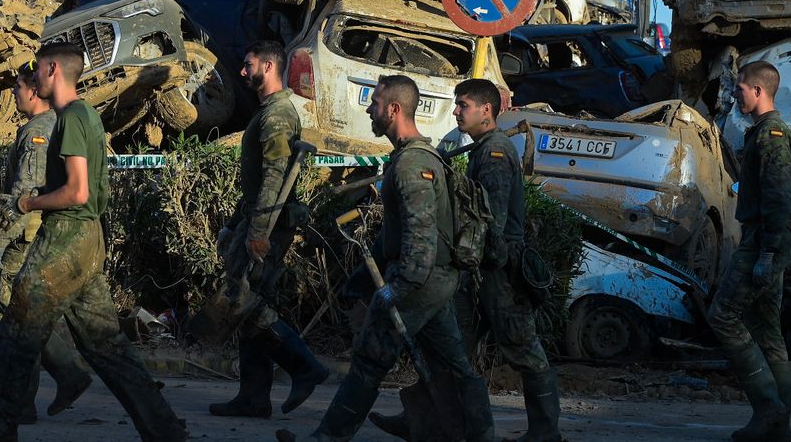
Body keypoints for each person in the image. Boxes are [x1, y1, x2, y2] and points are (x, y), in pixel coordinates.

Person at [0, 42, 185, 442]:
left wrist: (28, 201)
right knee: (107, 346)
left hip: (65, 237)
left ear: (53, 69)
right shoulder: (87, 114)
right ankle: (165, 431)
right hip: (89, 239)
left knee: (15, 338)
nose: (33, 78)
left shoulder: (69, 117)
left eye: (37, 70)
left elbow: (77, 191)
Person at [283, 74, 486, 441]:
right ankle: (479, 435)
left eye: (374, 103)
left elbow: (420, 244)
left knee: (369, 360)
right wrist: (360, 281)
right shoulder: (407, 159)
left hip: (419, 283)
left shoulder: (412, 166)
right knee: (454, 366)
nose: (369, 109)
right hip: (433, 282)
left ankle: (326, 437)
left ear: (393, 109)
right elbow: (392, 239)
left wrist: (390, 293)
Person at [373, 78, 557, 441]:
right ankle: (422, 420)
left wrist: (480, 265)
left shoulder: (495, 153)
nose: (456, 111)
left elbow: (493, 222)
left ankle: (545, 432)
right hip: (481, 271)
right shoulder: (482, 149)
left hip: (498, 273)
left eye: (463, 105)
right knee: (451, 350)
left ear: (486, 110)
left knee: (524, 352)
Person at [209, 40, 328, 419]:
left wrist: (258, 230)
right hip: (259, 220)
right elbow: (255, 182)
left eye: (248, 65)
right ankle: (253, 397)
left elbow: (274, 178)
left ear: (269, 67)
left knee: (246, 303)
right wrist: (234, 224)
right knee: (248, 305)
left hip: (270, 226)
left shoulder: (277, 116)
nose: (242, 72)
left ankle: (304, 366)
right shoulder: (268, 113)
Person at [0, 62, 90, 423]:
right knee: (24, 317)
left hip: (26, 235)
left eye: (17, 86)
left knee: (13, 316)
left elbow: (26, 191)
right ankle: (62, 377)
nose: (13, 93)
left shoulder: (38, 133)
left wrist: (0, 238)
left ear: (32, 90)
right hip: (34, 233)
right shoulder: (43, 127)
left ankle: (27, 397)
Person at [709, 60, 791, 441]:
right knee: (767, 330)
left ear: (759, 92)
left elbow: (778, 200)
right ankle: (778, 428)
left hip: (765, 242)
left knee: (723, 316)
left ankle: (769, 410)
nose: (734, 94)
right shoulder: (762, 132)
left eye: (740, 88)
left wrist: (766, 254)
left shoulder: (771, 134)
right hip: (764, 241)